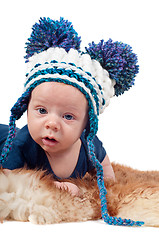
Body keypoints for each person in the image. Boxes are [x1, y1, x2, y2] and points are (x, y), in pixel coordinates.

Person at [0, 17, 143, 226]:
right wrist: (52, 186)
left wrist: (109, 186)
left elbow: (104, 165)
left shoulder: (89, 145)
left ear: (87, 124)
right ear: (26, 108)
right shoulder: (20, 141)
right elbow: (10, 179)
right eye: (41, 110)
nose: (52, 123)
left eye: (68, 116)